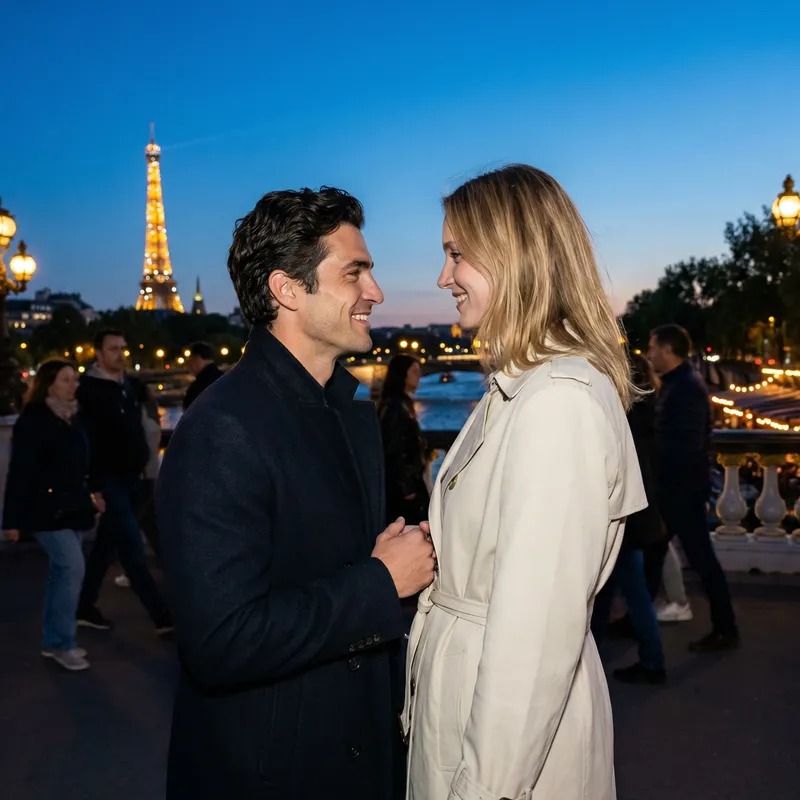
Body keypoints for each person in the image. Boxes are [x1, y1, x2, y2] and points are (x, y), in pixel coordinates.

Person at [156, 187, 436, 799]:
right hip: (272, 773)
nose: (376, 291)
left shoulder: (350, 416)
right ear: (287, 289)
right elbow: (220, 643)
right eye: (354, 272)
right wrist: (380, 582)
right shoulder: (220, 430)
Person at [401, 165, 647, 800]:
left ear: (512, 254)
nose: (442, 275)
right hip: (477, 700)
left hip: (499, 734)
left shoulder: (553, 402)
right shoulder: (523, 389)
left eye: (457, 253)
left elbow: (533, 639)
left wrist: (483, 789)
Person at [3, 360, 102, 671]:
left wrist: (93, 494)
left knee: (63, 574)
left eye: (75, 379)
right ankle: (63, 644)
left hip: (72, 507)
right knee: (72, 568)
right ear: (49, 384)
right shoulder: (33, 421)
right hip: (45, 510)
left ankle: (53, 641)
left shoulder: (75, 417)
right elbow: (20, 473)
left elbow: (86, 463)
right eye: (66, 380)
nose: (74, 385)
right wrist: (13, 521)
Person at [647, 323, 739, 651]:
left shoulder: (682, 388)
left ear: (668, 351)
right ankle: (641, 621)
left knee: (698, 559)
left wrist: (662, 487)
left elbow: (681, 447)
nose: (649, 353)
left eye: (653, 348)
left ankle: (726, 628)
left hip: (681, 492)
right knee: (656, 554)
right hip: (682, 489)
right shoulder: (683, 383)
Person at [76, 329, 173, 635]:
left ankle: (83, 607)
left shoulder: (128, 385)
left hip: (133, 477)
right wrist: (93, 484)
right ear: (99, 354)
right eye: (113, 349)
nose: (120, 353)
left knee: (105, 547)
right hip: (109, 479)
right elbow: (86, 439)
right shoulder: (88, 390)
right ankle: (163, 618)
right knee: (132, 550)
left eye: (123, 348)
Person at [592, 352, 667, 685]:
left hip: (625, 519)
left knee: (629, 594)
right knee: (611, 591)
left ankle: (652, 662)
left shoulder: (622, 417)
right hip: (639, 516)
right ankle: (590, 661)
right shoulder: (645, 413)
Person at [377, 354, 429, 526]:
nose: (419, 376)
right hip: (405, 491)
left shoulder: (397, 404)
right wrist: (407, 488)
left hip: (404, 487)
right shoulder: (397, 407)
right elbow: (394, 448)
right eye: (414, 371)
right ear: (403, 375)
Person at [183, 341, 223, 410]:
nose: (188, 365)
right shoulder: (224, 379)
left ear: (197, 358)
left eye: (190, 359)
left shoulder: (198, 387)